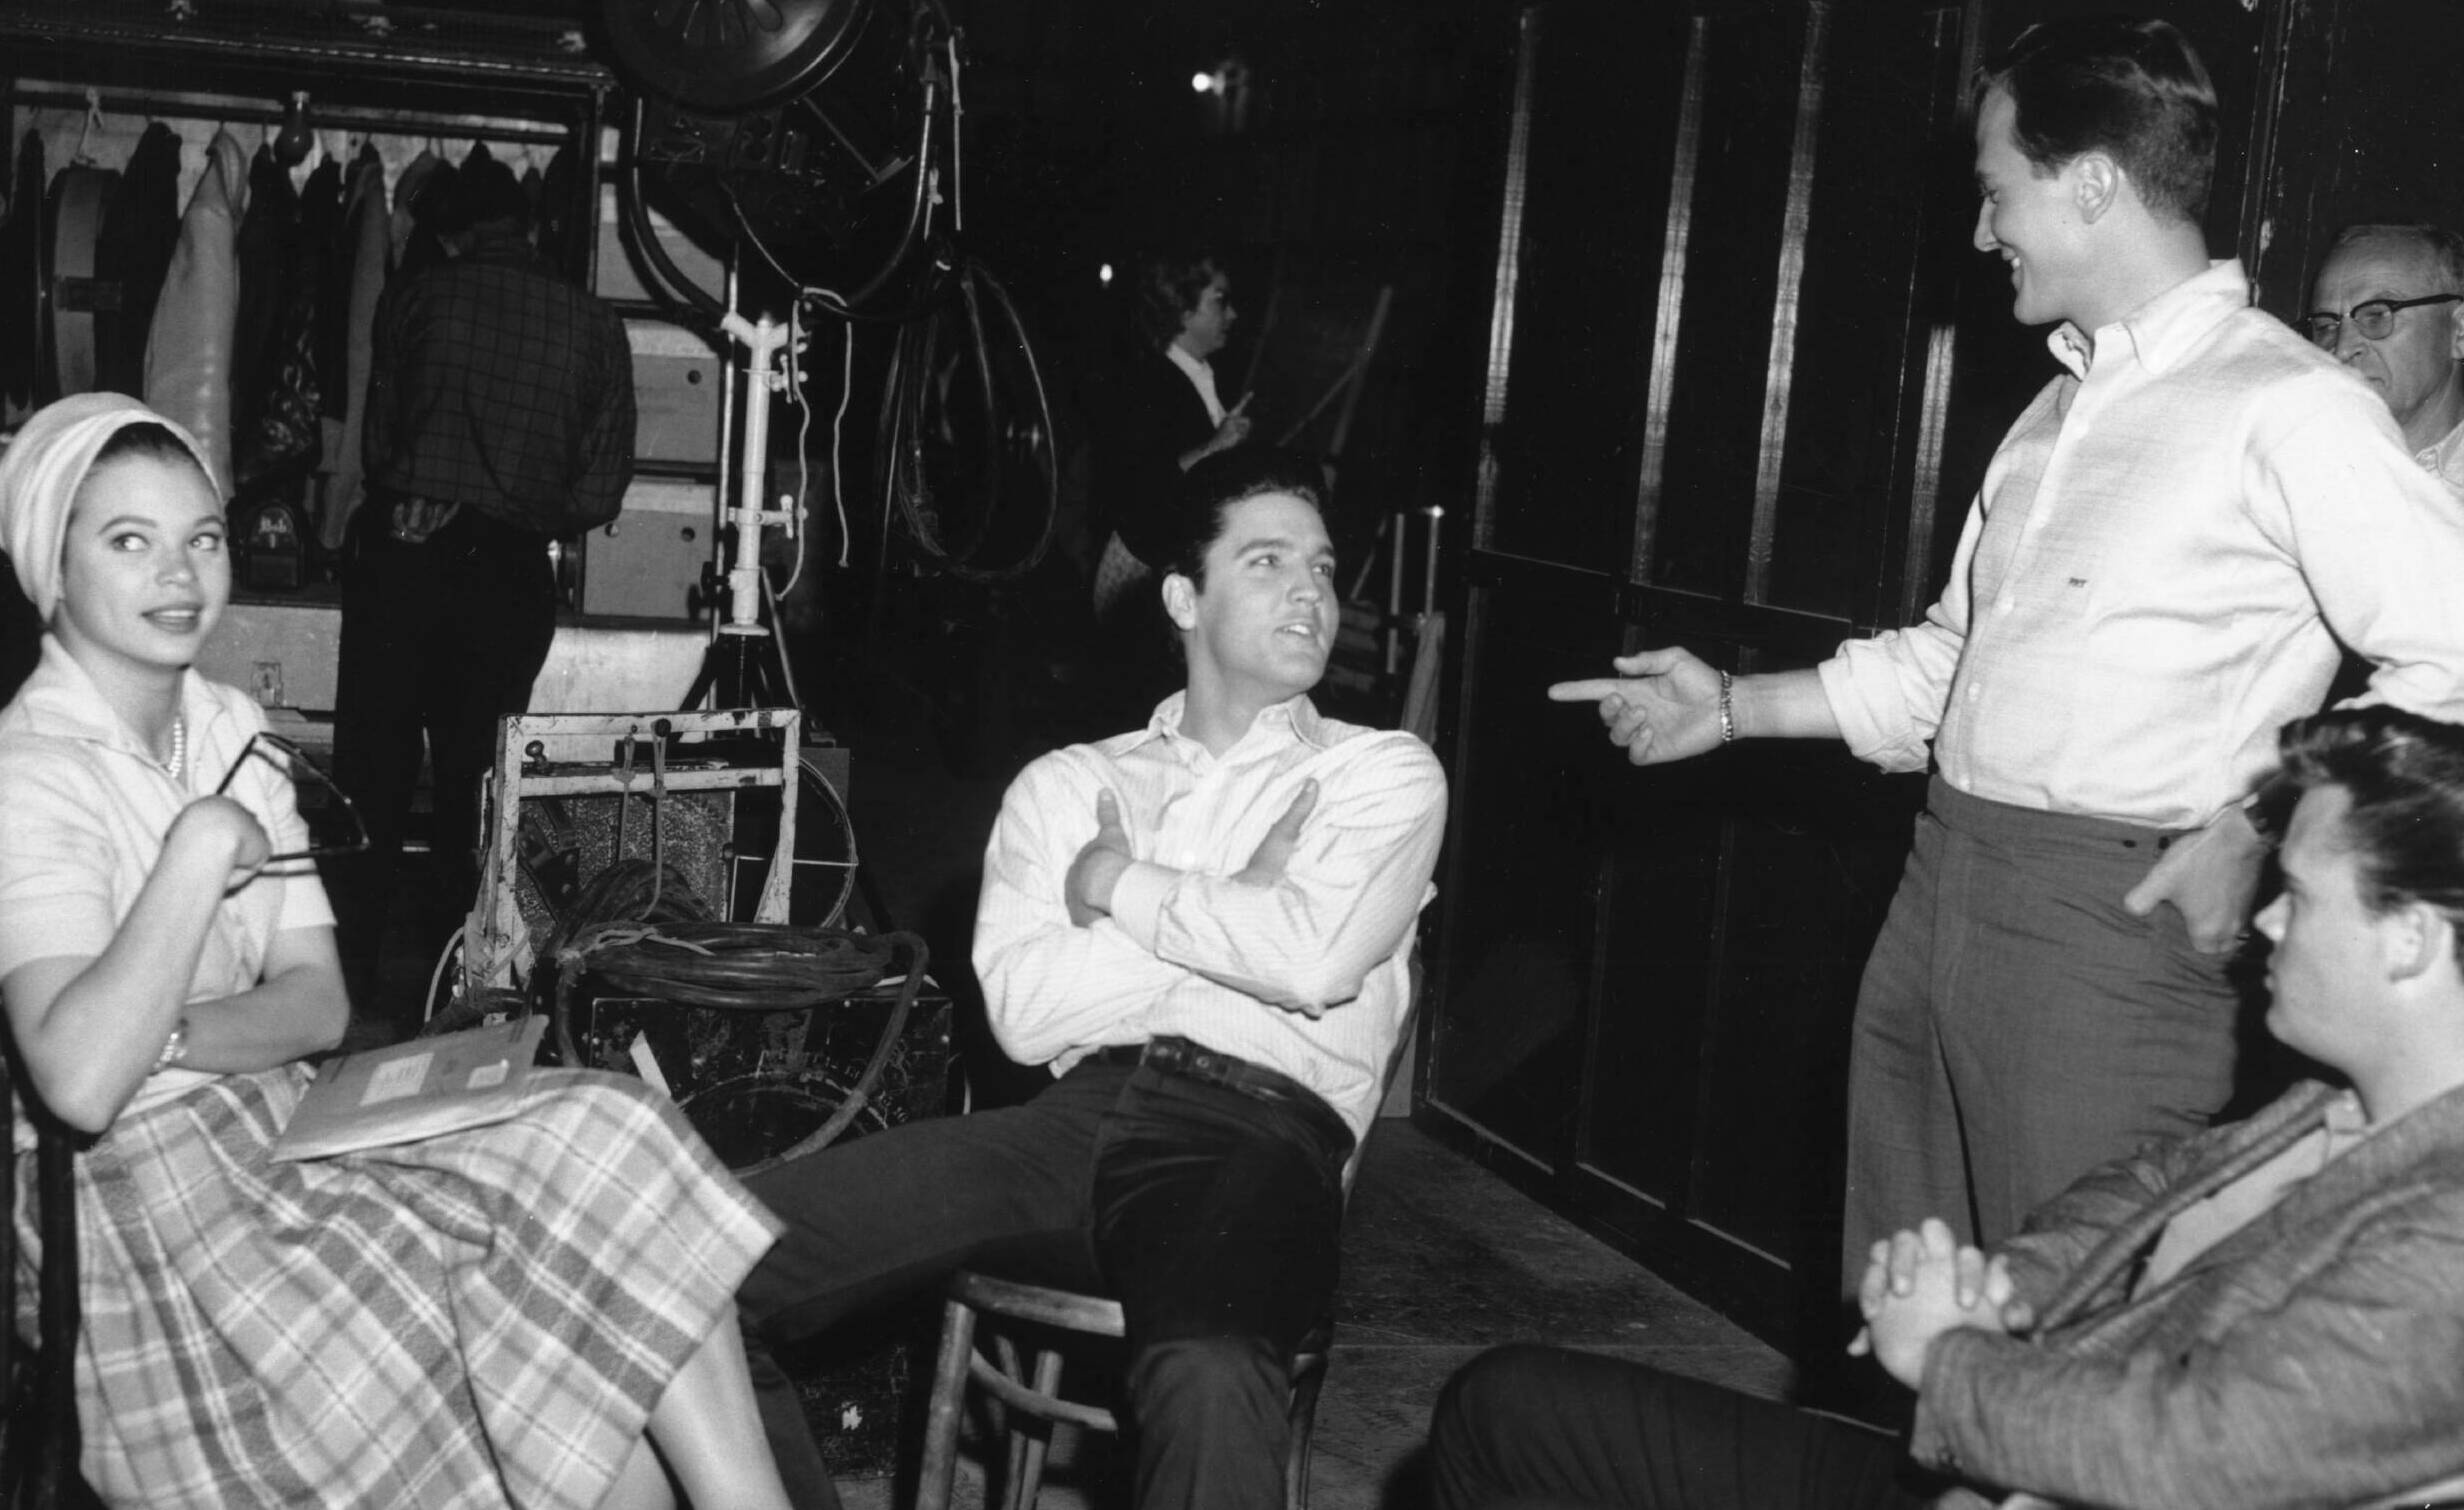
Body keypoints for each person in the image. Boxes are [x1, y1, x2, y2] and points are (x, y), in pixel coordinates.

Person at [1549, 16, 2464, 1277]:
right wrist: (1729, 708)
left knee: (2062, 1340)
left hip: (2104, 933)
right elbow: (1951, 665)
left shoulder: (2291, 404)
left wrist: (2256, 829)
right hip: (1939, 887)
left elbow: (2451, 655)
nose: (1982, 233)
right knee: (1914, 1321)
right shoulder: (2054, 409)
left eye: (1997, 193)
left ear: (2090, 182)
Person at [0, 393, 786, 1509]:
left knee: (607, 1138)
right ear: (52, 566)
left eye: (203, 538)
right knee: (517, 1311)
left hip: (272, 1118)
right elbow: (81, 1084)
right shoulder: (27, 771)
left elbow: (318, 1004)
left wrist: (167, 1035)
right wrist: (193, 859)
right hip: (145, 1210)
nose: (178, 574)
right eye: (129, 541)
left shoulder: (225, 725)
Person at [1430, 703, 2464, 1510]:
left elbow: (2197, 1451)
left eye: (2301, 894)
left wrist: (1944, 1355)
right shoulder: (2337, 1109)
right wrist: (2003, 1283)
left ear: (2407, 938)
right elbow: (2143, 1182)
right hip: (1998, 1470)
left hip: (2045, 1469)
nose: (2267, 919)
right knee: (1509, 1408)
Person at [737, 448, 1448, 1509]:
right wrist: (1226, 900)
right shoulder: (1072, 782)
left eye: (1323, 566)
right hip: (1070, 1120)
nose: (1312, 589)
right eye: (1266, 561)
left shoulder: (1377, 773)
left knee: (1208, 1374)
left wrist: (1119, 883)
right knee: (688, 1263)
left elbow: (1310, 956)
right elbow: (1027, 1016)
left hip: (1258, 1134)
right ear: (1182, 597)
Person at [331, 146, 635, 1009]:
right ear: (532, 225)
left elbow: (383, 443)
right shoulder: (596, 325)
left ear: (452, 232)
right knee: (478, 783)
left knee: (373, 774)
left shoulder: (418, 294)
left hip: (405, 555)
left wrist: (439, 489)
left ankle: (348, 980)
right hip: (507, 572)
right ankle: (458, 985)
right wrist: (516, 504)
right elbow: (600, 490)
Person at [1089, 252, 1256, 623]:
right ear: (1181, 309)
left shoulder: (1203, 375)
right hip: (1145, 573)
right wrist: (1215, 446)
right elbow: (1140, 483)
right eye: (1220, 301)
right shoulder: (1144, 382)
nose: (1232, 315)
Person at [2305, 222, 2464, 493]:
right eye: (2325, 326)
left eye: (2377, 315)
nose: (2342, 349)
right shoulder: (2292, 473)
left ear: (2459, 332)